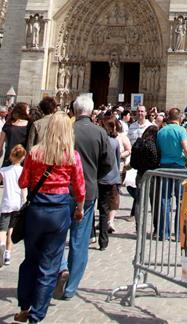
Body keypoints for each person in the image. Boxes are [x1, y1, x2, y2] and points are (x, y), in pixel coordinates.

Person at [15, 111, 85, 323]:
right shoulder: (72, 156)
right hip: (59, 211)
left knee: (30, 260)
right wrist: (79, 208)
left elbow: (22, 182)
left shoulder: (35, 153)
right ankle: (37, 315)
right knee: (49, 265)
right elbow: (80, 188)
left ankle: (24, 305)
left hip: (36, 210)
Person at [53, 94, 113, 302]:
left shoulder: (63, 131)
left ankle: (60, 268)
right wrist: (93, 177)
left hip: (60, 190)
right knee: (80, 240)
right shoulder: (99, 132)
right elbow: (108, 164)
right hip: (86, 191)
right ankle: (70, 288)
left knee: (56, 235)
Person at [0, 143, 26, 267]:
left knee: (2, 229)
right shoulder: (22, 171)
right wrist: (25, 201)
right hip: (18, 204)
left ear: (10, 156)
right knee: (11, 230)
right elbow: (24, 189)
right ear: (23, 158)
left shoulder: (4, 171)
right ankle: (8, 255)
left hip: (6, 203)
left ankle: (2, 245)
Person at [155, 107, 187, 239]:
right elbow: (186, 149)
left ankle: (163, 233)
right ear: (179, 117)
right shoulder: (181, 130)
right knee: (181, 199)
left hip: (164, 166)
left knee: (165, 199)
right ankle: (179, 232)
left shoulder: (161, 131)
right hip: (178, 167)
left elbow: (158, 149)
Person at [97, 117, 121, 250]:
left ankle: (91, 235)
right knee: (104, 210)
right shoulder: (114, 142)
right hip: (110, 178)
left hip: (97, 178)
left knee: (93, 208)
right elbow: (116, 162)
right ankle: (103, 240)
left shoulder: (100, 141)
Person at [129, 124, 159, 227]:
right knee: (154, 201)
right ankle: (156, 226)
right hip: (152, 175)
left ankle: (139, 225)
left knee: (139, 201)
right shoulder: (152, 145)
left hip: (140, 174)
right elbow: (155, 160)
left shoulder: (138, 143)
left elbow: (132, 162)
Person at [0, 102, 30, 169]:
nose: (29, 112)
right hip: (17, 159)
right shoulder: (28, 125)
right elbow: (0, 144)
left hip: (14, 158)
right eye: (28, 110)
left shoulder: (9, 124)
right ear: (22, 111)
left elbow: (0, 144)